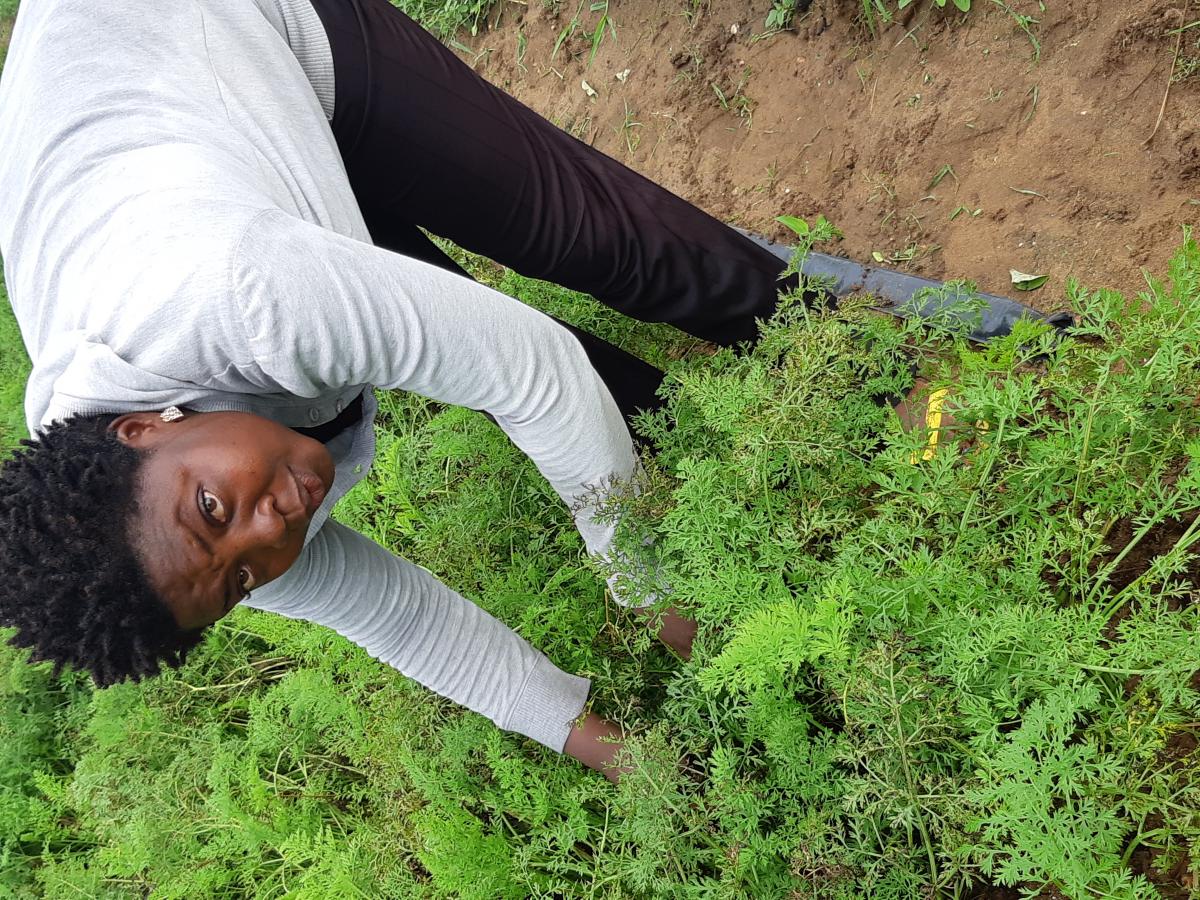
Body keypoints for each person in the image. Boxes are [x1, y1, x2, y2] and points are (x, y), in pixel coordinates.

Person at [0, 0, 814, 781]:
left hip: (213, 26)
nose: (274, 530)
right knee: (493, 359)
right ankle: (716, 437)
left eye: (216, 508)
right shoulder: (166, 554)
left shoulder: (237, 296)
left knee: (582, 234)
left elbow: (533, 371)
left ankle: (867, 361)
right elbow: (402, 619)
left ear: (140, 428)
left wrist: (645, 588)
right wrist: (646, 768)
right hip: (158, 155)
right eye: (242, 580)